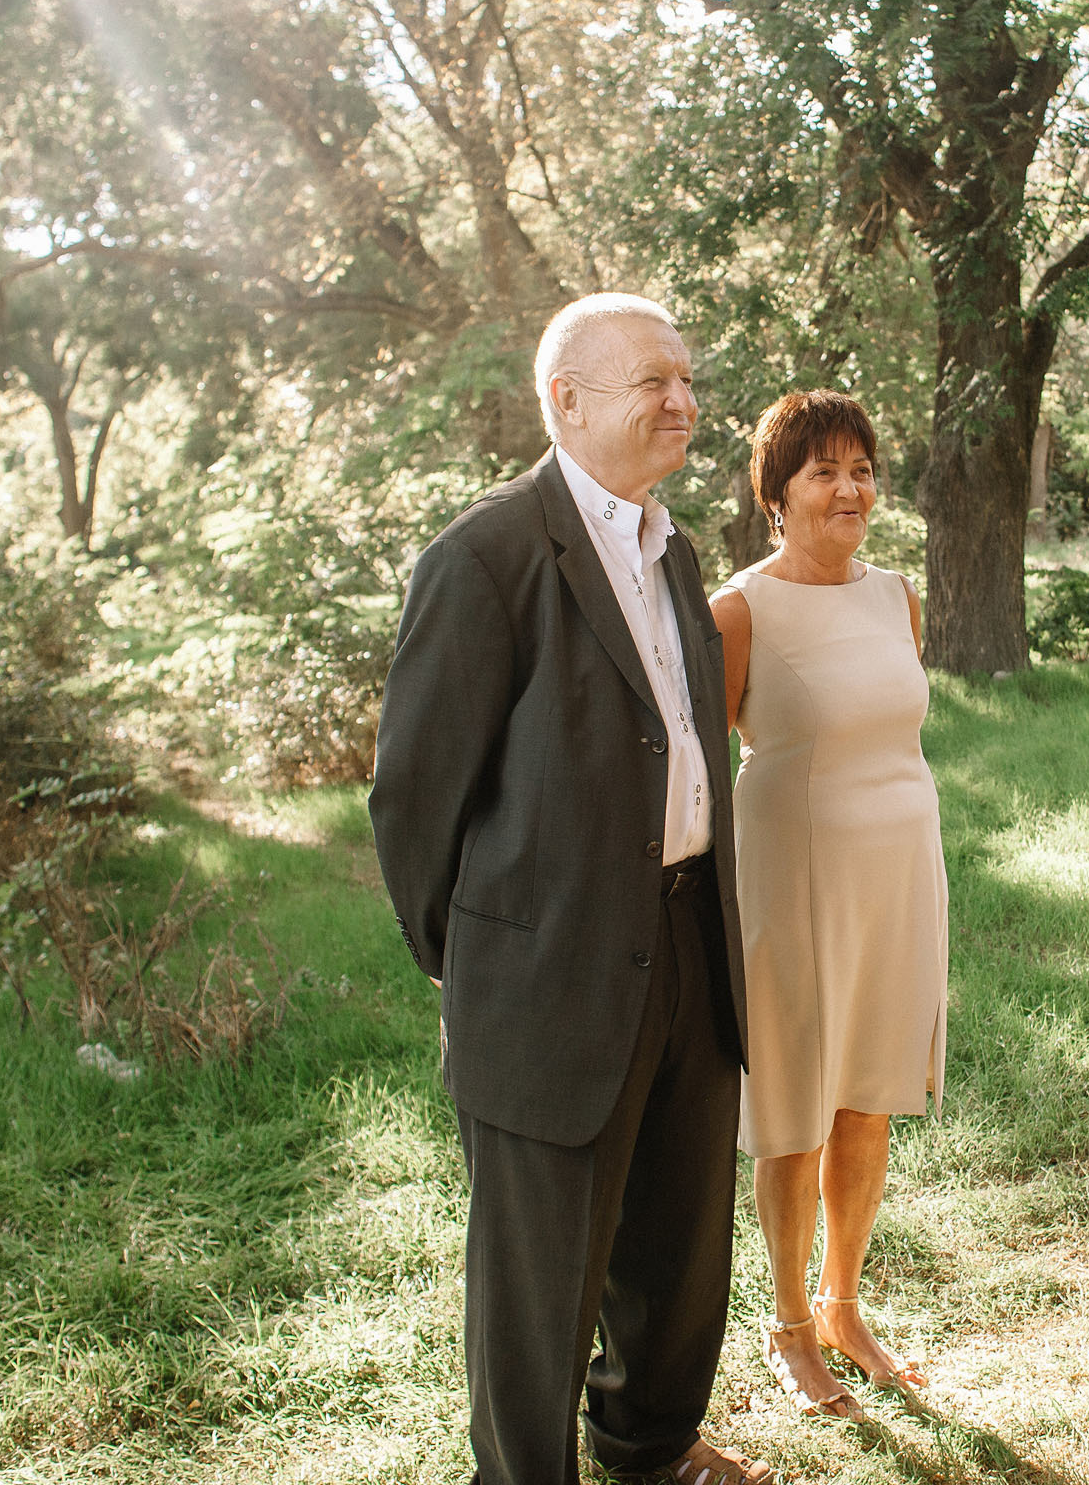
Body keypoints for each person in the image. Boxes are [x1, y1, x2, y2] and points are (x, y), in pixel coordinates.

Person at [367, 294, 773, 1485]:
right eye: (655, 381)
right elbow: (413, 801)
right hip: (546, 974)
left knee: (678, 1242)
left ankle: (650, 1448)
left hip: (692, 941)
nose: (684, 402)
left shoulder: (673, 544)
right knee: (539, 1280)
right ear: (568, 400)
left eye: (687, 380)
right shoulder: (483, 559)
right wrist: (490, 955)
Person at [707, 390, 948, 1420]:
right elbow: (704, 751)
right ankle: (789, 1328)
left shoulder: (898, 594)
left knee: (868, 1094)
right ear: (777, 495)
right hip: (794, 884)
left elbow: (886, 726)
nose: (850, 489)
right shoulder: (740, 609)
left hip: (901, 869)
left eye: (862, 469)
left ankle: (845, 1305)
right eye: (823, 472)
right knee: (796, 1106)